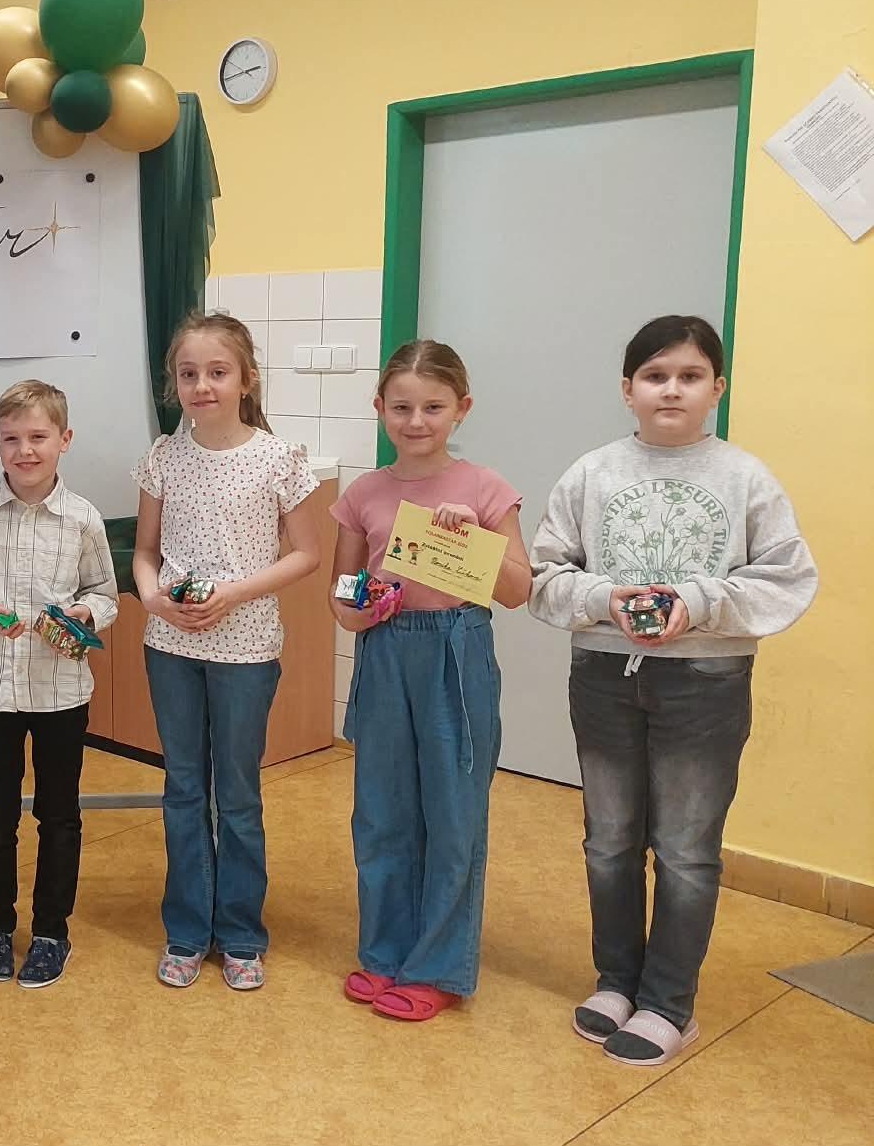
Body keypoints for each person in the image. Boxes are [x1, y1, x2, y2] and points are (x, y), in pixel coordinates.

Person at [529, 315, 816, 1066]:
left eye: (690, 376)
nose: (671, 389)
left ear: (717, 388)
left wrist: (698, 600)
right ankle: (616, 981)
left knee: (686, 849)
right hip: (603, 675)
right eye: (655, 376)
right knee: (609, 839)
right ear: (628, 389)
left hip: (706, 683)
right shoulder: (592, 473)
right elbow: (545, 576)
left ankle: (667, 1003)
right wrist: (605, 598)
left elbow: (788, 578)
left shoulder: (746, 478)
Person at [328, 339, 532, 1022]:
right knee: (381, 810)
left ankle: (439, 965)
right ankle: (384, 952)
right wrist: (362, 608)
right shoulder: (363, 494)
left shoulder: (486, 488)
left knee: (452, 811)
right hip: (386, 650)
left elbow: (517, 590)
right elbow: (342, 595)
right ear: (379, 407)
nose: (416, 421)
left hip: (456, 650)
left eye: (433, 407)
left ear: (461, 408)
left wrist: (474, 538)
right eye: (402, 407)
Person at [131, 312, 321, 992]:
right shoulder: (163, 457)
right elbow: (145, 552)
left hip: (246, 650)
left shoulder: (278, 458)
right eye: (189, 374)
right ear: (174, 384)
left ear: (247, 379)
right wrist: (152, 598)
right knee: (184, 786)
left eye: (217, 372)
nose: (202, 385)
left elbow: (307, 553)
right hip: (170, 646)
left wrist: (233, 594)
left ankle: (241, 933)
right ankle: (187, 930)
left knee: (236, 794)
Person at [0, 380, 117, 989]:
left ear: (65, 439)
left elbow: (104, 594)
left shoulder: (83, 518)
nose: (26, 450)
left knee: (59, 815)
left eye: (38, 436)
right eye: (11, 439)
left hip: (62, 691)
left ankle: (50, 932)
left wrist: (85, 614)